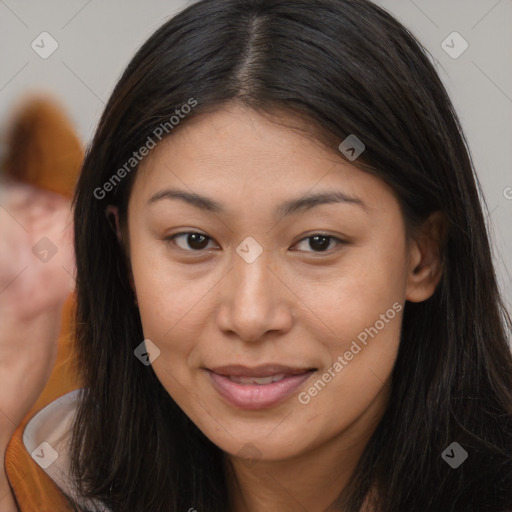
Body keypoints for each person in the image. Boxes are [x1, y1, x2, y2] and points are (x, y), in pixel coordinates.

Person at [5, 0, 512, 510]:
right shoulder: (52, 474)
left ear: (422, 257)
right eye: (194, 240)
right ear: (124, 254)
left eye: (318, 242)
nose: (250, 316)